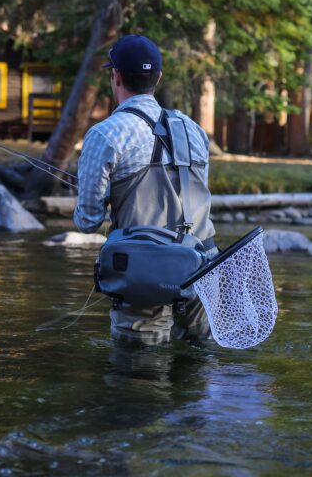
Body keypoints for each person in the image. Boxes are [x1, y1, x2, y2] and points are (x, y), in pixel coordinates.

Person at [73, 34, 217, 344]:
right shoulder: (195, 130)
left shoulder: (106, 135)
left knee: (139, 377)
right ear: (158, 77)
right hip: (204, 268)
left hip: (146, 277)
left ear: (116, 76)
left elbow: (87, 221)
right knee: (199, 373)